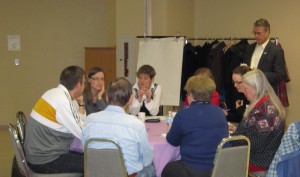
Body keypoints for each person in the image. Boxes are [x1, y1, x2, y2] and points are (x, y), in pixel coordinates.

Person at [82, 77, 155, 177]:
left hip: (95, 173)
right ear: (130, 99)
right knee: (150, 168)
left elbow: (85, 149)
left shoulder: (89, 120)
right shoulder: (137, 125)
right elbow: (147, 159)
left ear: (107, 97)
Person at [162, 76, 229, 177]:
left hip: (192, 169)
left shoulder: (183, 114)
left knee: (166, 169)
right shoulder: (220, 113)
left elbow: (172, 141)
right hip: (217, 169)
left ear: (190, 94)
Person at [24, 65, 86, 174]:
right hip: (45, 160)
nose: (85, 86)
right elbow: (83, 133)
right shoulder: (63, 102)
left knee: (84, 156)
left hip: (37, 154)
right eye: (84, 83)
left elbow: (79, 123)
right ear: (78, 84)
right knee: (93, 163)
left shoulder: (53, 93)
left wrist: (80, 104)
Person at [229, 69, 286, 177]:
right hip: (262, 160)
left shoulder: (263, 111)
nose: (244, 92)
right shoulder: (267, 104)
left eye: (245, 89)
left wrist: (233, 137)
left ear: (256, 88)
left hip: (257, 165)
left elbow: (252, 143)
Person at [243, 18, 287, 94]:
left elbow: (281, 75)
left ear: (267, 32)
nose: (256, 36)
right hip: (249, 92)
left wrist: (258, 74)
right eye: (254, 33)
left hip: (267, 93)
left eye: (259, 33)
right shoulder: (249, 48)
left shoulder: (276, 50)